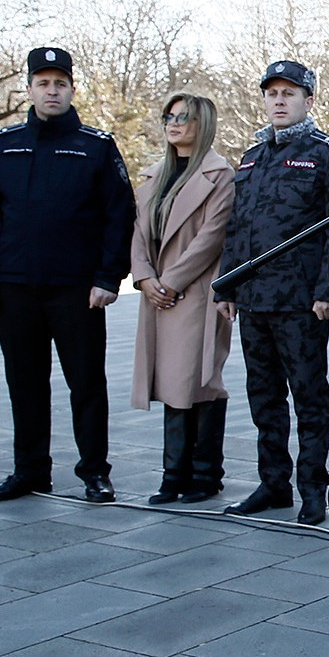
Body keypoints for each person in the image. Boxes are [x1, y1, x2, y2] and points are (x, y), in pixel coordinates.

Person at [0, 47, 135, 503]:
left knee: (87, 384)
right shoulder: (3, 144)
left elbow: (119, 216)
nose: (52, 91)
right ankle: (31, 470)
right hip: (17, 286)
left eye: (60, 83)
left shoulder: (96, 146)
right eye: (43, 83)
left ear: (72, 89)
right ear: (30, 88)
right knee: (25, 384)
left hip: (77, 289)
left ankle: (94, 472)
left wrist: (108, 277)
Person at [215, 60, 329, 525]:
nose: (279, 101)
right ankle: (273, 483)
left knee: (309, 398)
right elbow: (238, 227)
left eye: (289, 93)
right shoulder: (252, 157)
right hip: (254, 299)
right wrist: (227, 285)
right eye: (272, 93)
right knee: (264, 397)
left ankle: (313, 489)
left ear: (308, 101)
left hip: (301, 302)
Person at [130, 93, 235, 506]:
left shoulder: (219, 174)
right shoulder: (156, 174)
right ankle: (173, 474)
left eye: (183, 117)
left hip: (195, 290)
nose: (173, 124)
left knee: (197, 380)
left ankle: (204, 474)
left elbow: (212, 236)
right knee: (171, 382)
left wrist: (170, 282)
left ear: (202, 123)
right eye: (169, 117)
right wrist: (144, 278)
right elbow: (139, 232)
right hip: (158, 292)